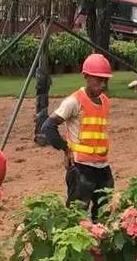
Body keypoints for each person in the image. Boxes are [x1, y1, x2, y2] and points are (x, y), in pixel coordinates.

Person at [40, 53, 114, 219]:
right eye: (98, 79)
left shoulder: (105, 101)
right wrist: (65, 149)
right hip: (81, 168)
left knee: (104, 213)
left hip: (102, 166)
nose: (102, 84)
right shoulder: (74, 101)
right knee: (76, 216)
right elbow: (48, 127)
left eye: (105, 80)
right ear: (86, 77)